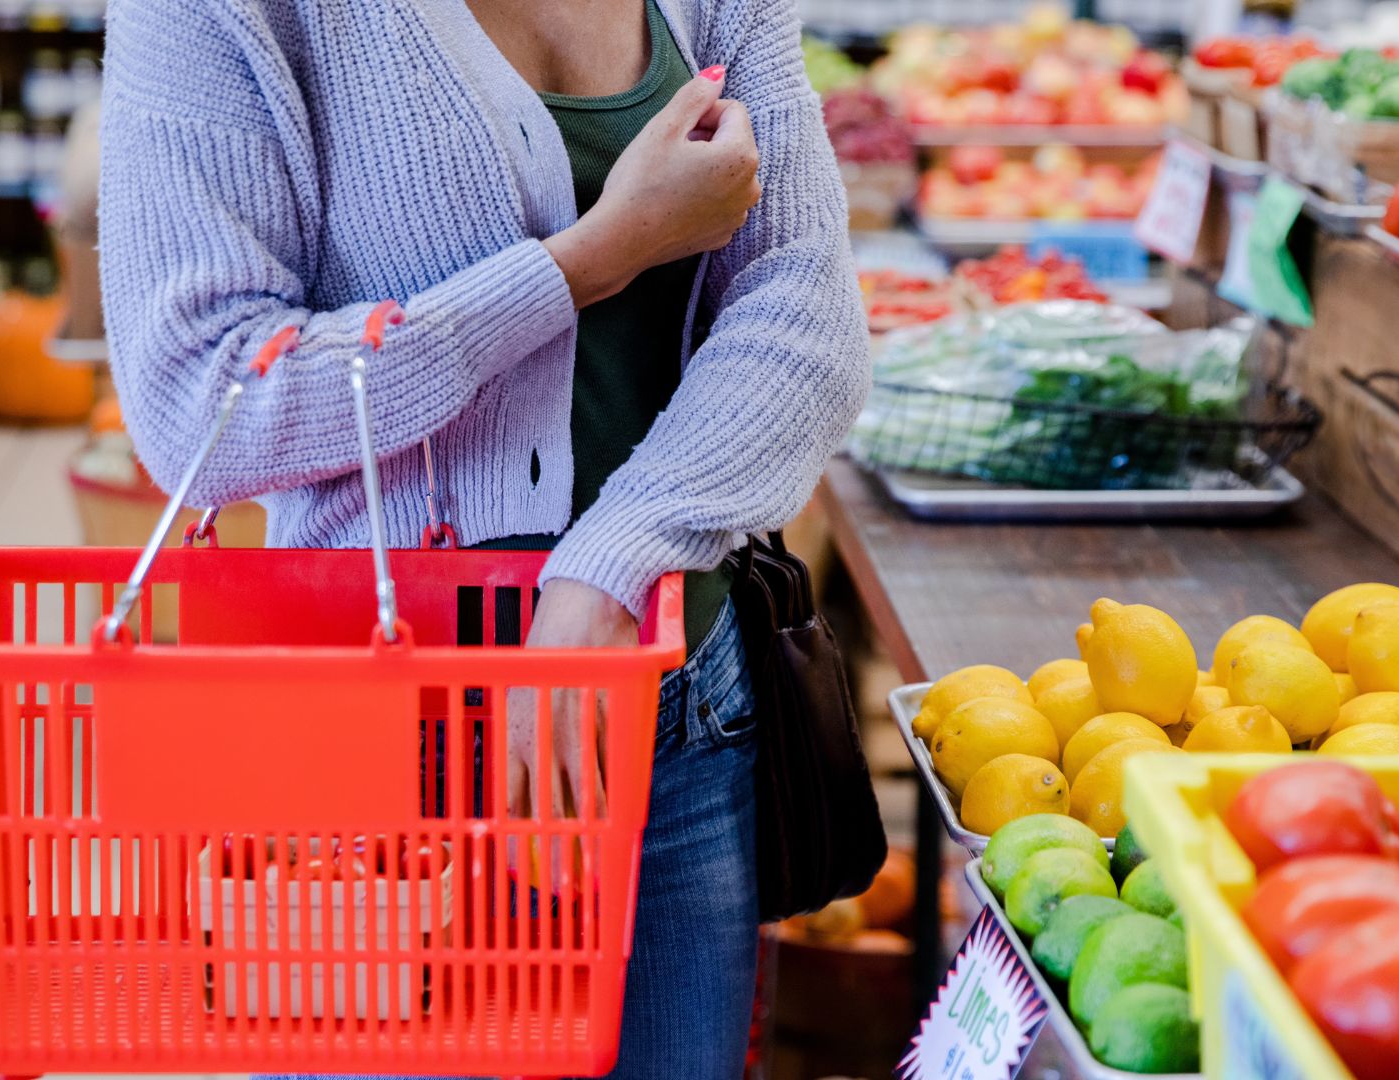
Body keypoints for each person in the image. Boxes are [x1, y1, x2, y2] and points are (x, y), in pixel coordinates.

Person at [98, 0, 869, 1074]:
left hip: (679, 719)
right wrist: (590, 260)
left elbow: (807, 315)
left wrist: (611, 564)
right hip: (376, 762)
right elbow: (199, 397)